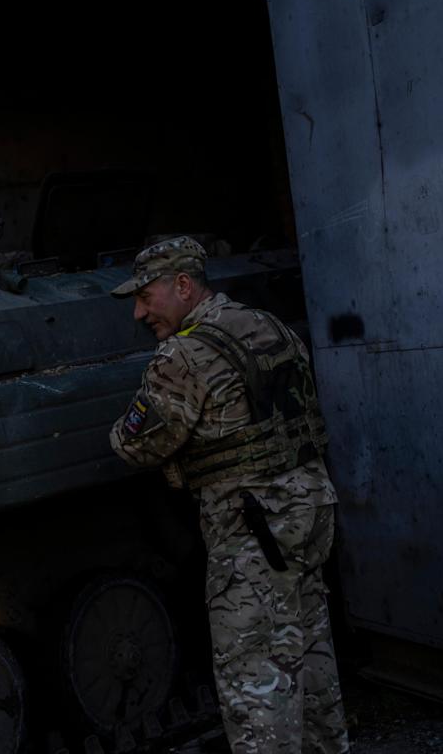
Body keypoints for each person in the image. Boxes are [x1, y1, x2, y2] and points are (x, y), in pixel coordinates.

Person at [108, 236, 349, 753]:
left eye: (146, 296)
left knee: (254, 679)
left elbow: (136, 446)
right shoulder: (270, 326)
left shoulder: (183, 354)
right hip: (310, 512)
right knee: (309, 654)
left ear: (182, 285)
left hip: (253, 533)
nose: (138, 312)